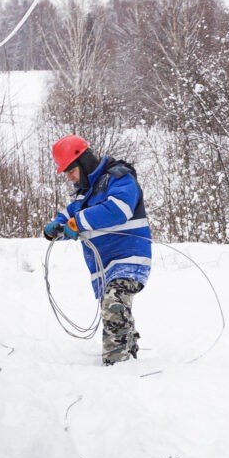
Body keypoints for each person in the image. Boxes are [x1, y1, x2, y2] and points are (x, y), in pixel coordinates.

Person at [44, 134, 152, 366]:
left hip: (130, 257)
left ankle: (118, 366)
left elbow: (118, 209)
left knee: (114, 303)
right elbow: (70, 215)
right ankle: (127, 348)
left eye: (71, 170)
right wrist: (56, 225)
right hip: (104, 267)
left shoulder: (119, 178)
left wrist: (77, 223)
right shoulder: (84, 194)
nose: (70, 177)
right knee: (114, 308)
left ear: (84, 162)